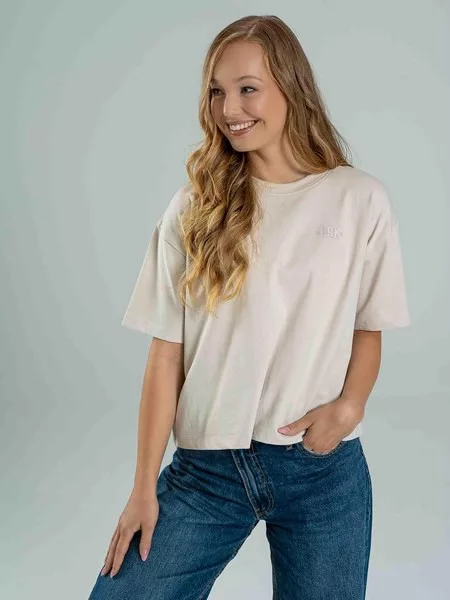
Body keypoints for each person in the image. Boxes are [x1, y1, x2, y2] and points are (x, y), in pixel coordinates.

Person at [88, 14, 411, 600]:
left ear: (290, 85)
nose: (229, 108)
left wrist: (349, 407)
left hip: (321, 471)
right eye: (217, 91)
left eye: (247, 89)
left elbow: (369, 327)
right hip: (208, 471)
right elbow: (166, 356)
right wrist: (142, 489)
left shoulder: (358, 199)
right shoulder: (195, 206)